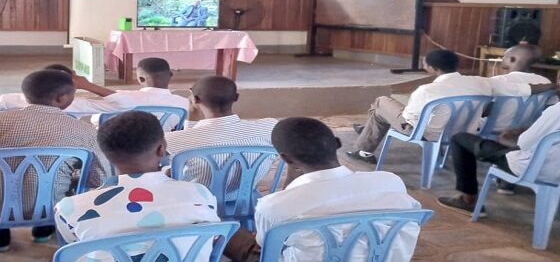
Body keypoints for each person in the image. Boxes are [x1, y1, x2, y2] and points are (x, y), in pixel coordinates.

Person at [0, 69, 109, 251]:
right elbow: (98, 180)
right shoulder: (85, 131)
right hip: (52, 208)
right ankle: (43, 230)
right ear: (62, 99)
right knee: (61, 181)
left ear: (26, 96)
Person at [224, 117, 422, 262]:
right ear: (336, 144)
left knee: (228, 232)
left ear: (285, 159)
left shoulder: (275, 205)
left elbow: (266, 245)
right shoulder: (390, 182)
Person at [54, 111, 220, 261]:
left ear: (105, 154)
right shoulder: (199, 194)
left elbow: (75, 246)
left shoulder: (71, 208)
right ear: (161, 149)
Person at [0, 58, 187, 132]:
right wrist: (89, 85)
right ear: (63, 97)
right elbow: (123, 105)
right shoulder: (75, 105)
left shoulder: (6, 101)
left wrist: (1, 128)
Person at [348, 49, 493, 164]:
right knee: (382, 112)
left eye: (425, 63)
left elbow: (408, 117)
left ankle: (365, 151)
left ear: (433, 68)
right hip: (465, 132)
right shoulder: (478, 84)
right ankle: (369, 127)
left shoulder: (427, 90)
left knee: (381, 102)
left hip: (428, 134)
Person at [438, 102, 560, 215]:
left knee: (459, 139)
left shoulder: (556, 110)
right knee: (512, 152)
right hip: (556, 176)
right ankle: (506, 184)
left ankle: (468, 200)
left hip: (533, 170)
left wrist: (509, 138)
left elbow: (524, 143)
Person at [165, 75, 277, 185]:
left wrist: (192, 112)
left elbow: (188, 139)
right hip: (246, 196)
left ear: (195, 99)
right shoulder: (270, 127)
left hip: (198, 198)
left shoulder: (173, 139)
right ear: (236, 97)